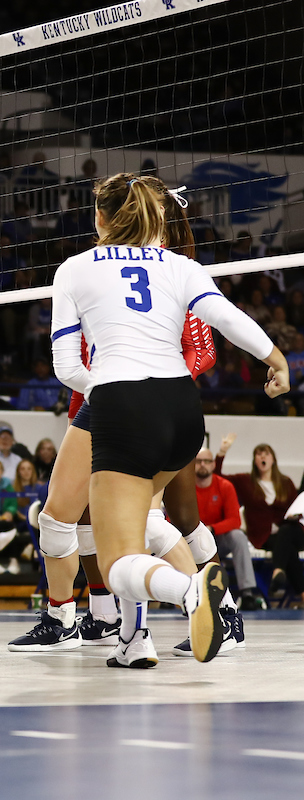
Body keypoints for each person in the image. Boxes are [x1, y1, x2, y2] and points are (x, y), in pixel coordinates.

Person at [49, 172, 288, 665]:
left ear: (100, 218)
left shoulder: (74, 268)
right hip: (183, 410)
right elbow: (225, 318)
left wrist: (106, 390)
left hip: (122, 403)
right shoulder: (179, 266)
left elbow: (66, 366)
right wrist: (276, 359)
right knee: (146, 525)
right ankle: (135, 641)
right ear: (155, 218)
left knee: (118, 562)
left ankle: (191, 595)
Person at [8, 183, 229, 659]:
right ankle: (114, 624)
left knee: (163, 523)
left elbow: (205, 349)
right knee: (97, 521)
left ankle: (218, 611)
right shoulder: (98, 267)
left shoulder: (171, 268)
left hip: (141, 401)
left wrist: (147, 380)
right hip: (102, 398)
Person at [214, 435, 303, 606]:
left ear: (273, 459)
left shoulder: (286, 483)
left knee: (287, 534)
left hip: (292, 532)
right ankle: (297, 589)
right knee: (287, 548)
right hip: (265, 537)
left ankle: (279, 571)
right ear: (254, 460)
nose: (262, 457)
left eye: (266, 454)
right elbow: (217, 478)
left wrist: (295, 515)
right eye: (258, 454)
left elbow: (297, 507)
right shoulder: (246, 481)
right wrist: (222, 452)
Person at [194, 446, 265, 610]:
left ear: (213, 465)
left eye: (207, 461)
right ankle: (172, 596)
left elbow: (235, 520)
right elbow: (172, 518)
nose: (203, 464)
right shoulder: (185, 489)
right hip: (192, 539)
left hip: (218, 538)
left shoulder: (224, 486)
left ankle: (247, 593)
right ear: (192, 465)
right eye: (198, 461)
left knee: (238, 536)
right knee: (171, 538)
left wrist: (212, 529)